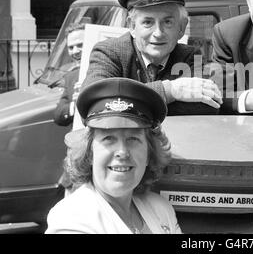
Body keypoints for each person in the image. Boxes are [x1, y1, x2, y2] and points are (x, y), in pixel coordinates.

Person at [46, 77, 181, 234]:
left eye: (133, 139)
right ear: (89, 153)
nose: (122, 152)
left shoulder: (161, 209)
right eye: (108, 139)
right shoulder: (72, 218)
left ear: (149, 154)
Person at [83, 0, 222, 115]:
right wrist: (171, 90)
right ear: (131, 26)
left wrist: (124, 103)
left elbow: (209, 106)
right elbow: (93, 105)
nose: (158, 33)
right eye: (148, 22)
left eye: (167, 22)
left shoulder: (189, 56)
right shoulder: (109, 52)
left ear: (181, 27)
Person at [53, 23, 85, 126]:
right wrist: (75, 105)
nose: (75, 51)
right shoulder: (71, 77)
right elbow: (58, 116)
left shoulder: (109, 70)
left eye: (80, 45)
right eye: (71, 47)